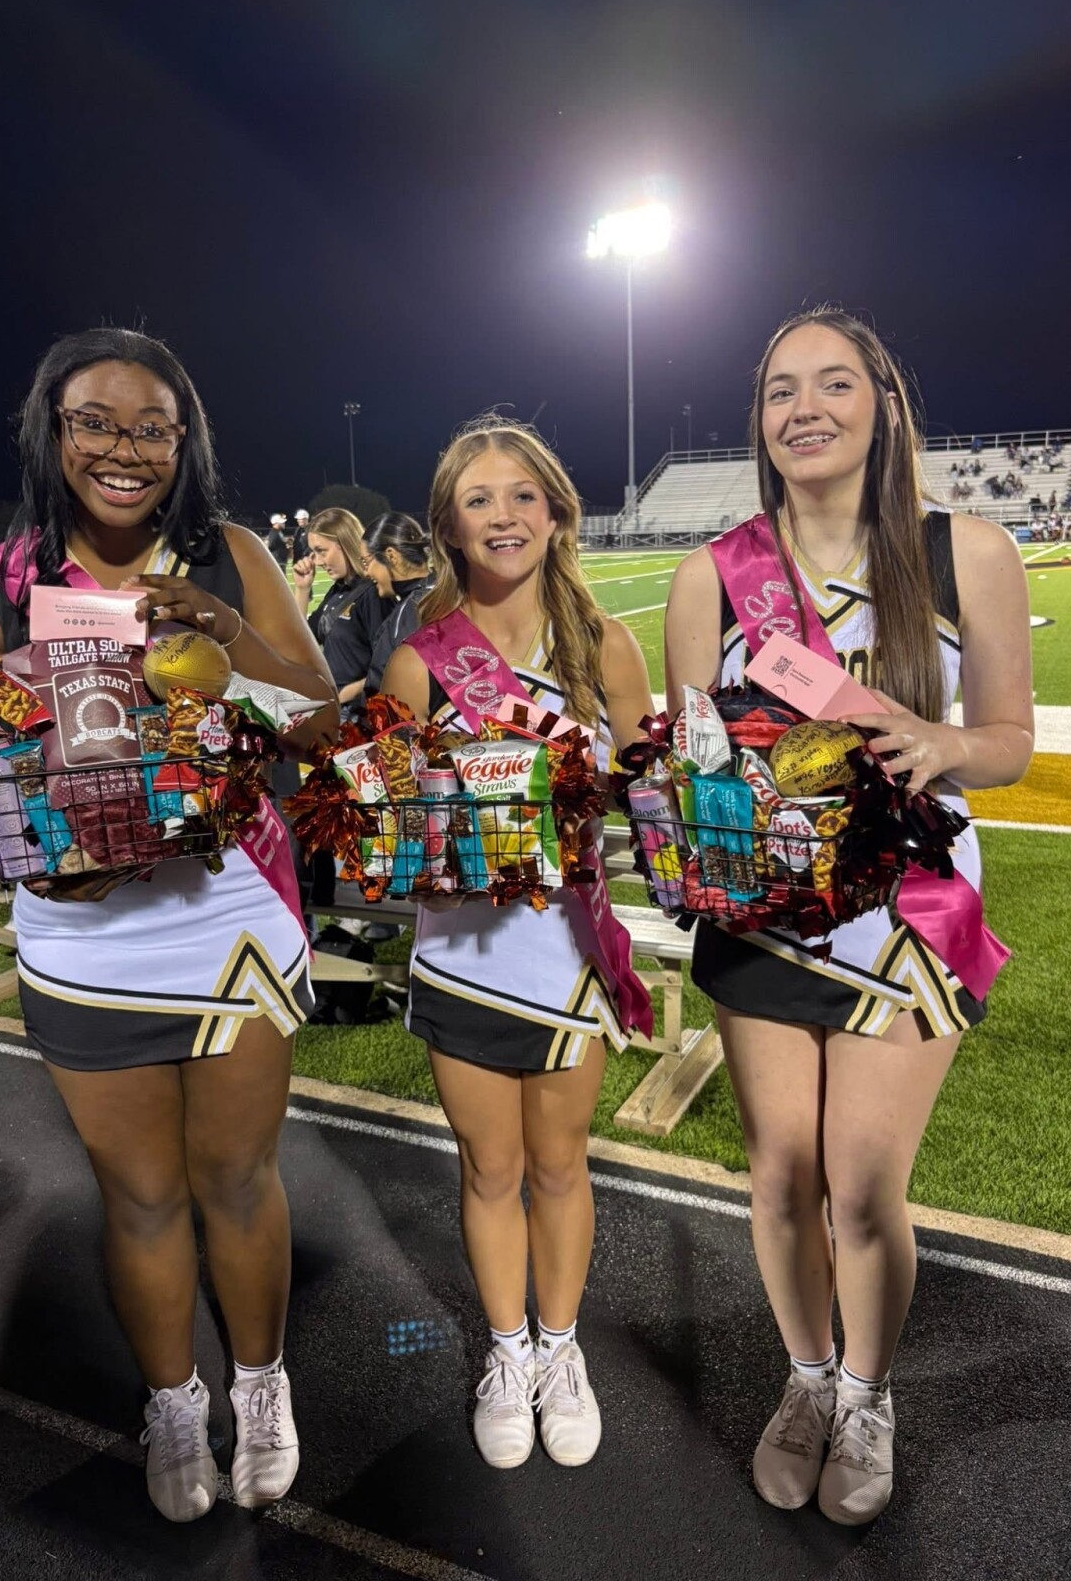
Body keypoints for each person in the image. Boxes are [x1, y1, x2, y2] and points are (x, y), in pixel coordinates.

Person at [0, 328, 339, 1523]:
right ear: (52, 433)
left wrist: (225, 630)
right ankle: (173, 1399)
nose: (124, 449)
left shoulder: (233, 556)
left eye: (152, 427)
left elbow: (320, 726)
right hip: (84, 940)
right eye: (95, 422)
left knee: (240, 1179)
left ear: (183, 442)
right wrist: (23, 841)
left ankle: (261, 1384)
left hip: (230, 916)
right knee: (143, 1196)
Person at [664, 308, 1033, 1525]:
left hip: (906, 910)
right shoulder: (711, 575)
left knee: (864, 1185)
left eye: (833, 383)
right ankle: (808, 1379)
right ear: (760, 418)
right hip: (766, 907)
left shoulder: (965, 549)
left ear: (884, 403)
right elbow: (697, 758)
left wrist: (941, 741)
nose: (804, 408)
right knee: (780, 1174)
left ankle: (868, 1394)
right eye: (781, 389)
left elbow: (1011, 742)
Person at [381, 417, 654, 1472]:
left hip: (567, 952)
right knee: (489, 1169)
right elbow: (386, 823)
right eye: (478, 499)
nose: (503, 516)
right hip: (463, 953)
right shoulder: (418, 662)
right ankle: (507, 1351)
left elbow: (647, 789)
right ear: (449, 526)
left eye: (522, 495)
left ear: (556, 513)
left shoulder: (603, 646)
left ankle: (561, 1347)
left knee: (559, 1164)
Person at [291, 506, 393, 712]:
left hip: (358, 713)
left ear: (344, 544)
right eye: (313, 552)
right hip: (333, 707)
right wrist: (302, 589)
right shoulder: (337, 591)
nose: (317, 561)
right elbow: (301, 642)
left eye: (321, 551)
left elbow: (390, 665)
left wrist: (344, 695)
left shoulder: (373, 593)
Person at [359, 512, 434, 699]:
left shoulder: (409, 614)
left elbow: (381, 691)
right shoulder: (453, 587)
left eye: (366, 562)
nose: (366, 572)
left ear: (391, 556)